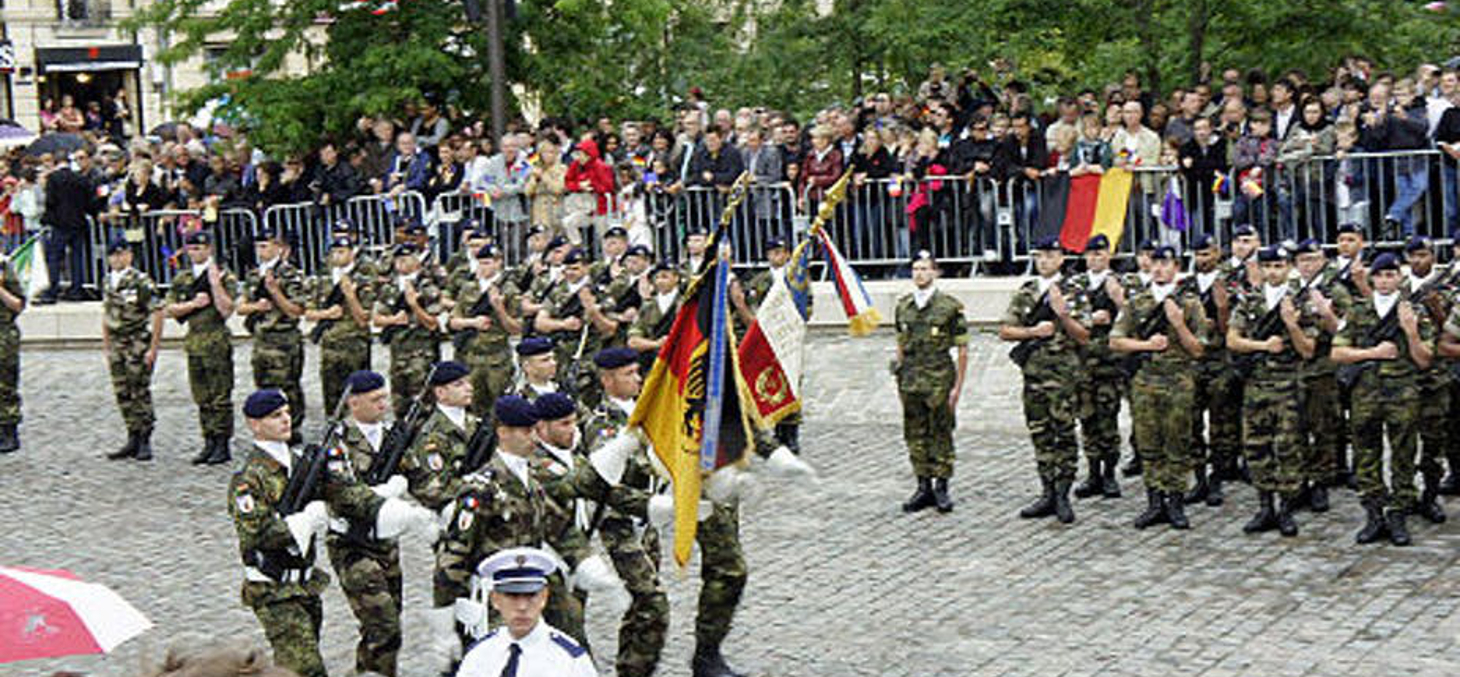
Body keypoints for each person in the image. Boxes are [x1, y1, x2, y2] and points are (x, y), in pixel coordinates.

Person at [227, 389, 433, 677]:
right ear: (254, 424)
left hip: (307, 584)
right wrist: (304, 522)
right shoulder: (248, 478)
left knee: (292, 667)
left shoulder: (301, 463)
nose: (286, 420)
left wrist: (393, 509)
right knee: (307, 669)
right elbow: (256, 533)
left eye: (287, 413)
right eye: (275, 416)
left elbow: (346, 493)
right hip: (273, 590)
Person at [1331, 253, 1433, 546]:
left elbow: (1425, 360)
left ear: (1399, 277)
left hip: (1402, 393)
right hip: (1366, 393)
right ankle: (1374, 513)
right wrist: (1372, 353)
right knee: (1366, 453)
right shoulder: (1357, 311)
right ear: (1372, 278)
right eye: (1380, 275)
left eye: (1391, 275)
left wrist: (1411, 332)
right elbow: (1337, 353)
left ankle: (1399, 513)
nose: (1386, 280)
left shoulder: (1414, 310)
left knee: (1403, 454)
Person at [579, 348, 669, 677]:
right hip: (619, 523)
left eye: (636, 372)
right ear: (607, 380)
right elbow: (604, 481)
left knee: (641, 603)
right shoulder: (601, 424)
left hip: (647, 523)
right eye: (629, 374)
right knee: (653, 601)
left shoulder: (644, 412)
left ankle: (631, 668)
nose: (638, 379)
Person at [325, 370, 419, 677]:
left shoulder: (393, 435)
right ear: (353, 403)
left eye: (385, 397)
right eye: (375, 399)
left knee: (389, 627)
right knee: (383, 625)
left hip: (386, 544)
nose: (384, 404)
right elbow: (343, 494)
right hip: (352, 545)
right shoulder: (338, 443)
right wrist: (385, 494)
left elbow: (420, 477)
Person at [1110, 245, 1207, 530]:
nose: (1159, 268)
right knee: (1149, 444)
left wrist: (1179, 325)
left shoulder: (1189, 304)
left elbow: (1199, 349)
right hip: (1145, 382)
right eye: (1155, 263)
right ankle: (1155, 502)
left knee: (1177, 443)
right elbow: (1116, 341)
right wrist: (1145, 345)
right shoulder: (1136, 302)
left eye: (1166, 263)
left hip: (1178, 382)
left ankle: (1176, 502)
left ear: (1176, 267)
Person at [1228, 245, 1316, 537]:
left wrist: (1291, 324)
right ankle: (1265, 505)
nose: (1273, 272)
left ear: (1288, 268)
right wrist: (1263, 346)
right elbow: (1232, 340)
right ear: (1261, 270)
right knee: (1256, 446)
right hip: (1256, 386)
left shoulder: (1300, 302)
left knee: (1288, 448)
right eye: (1268, 267)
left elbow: (1308, 350)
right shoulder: (1250, 302)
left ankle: (1286, 508)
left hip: (1289, 385)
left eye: (1279, 266)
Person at [999, 238, 1089, 523]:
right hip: (1033, 376)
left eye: (1050, 255)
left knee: (1063, 432)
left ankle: (1063, 493)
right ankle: (1047, 491)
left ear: (1062, 258)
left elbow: (1085, 335)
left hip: (1063, 375)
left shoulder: (1073, 290)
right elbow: (1005, 331)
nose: (1044, 261)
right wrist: (1033, 333)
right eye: (1039, 256)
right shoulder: (1027, 291)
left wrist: (1064, 314)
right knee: (1040, 432)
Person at [894, 251, 969, 513]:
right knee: (915, 434)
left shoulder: (949, 306)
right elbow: (900, 345)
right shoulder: (903, 306)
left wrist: (957, 388)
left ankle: (942, 486)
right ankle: (923, 484)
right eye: (915, 269)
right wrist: (899, 380)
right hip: (911, 379)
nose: (919, 273)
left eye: (925, 268)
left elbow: (962, 349)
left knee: (941, 432)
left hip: (939, 378)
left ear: (935, 272)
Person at [454, 548, 598, 677]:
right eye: (512, 596)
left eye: (531, 596)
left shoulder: (568, 659)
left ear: (544, 597)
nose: (522, 607)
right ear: (495, 600)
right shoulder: (480, 654)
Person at [163, 231, 238, 465]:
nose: (195, 252)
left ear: (209, 249)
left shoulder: (225, 277)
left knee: (220, 396)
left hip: (216, 340)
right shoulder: (183, 278)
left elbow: (227, 309)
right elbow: (169, 309)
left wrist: (215, 285)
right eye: (192, 248)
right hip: (194, 342)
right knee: (201, 396)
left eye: (200, 248)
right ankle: (208, 440)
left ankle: (222, 442)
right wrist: (192, 304)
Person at [1293, 238, 1350, 515]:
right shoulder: (1289, 290)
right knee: (1295, 429)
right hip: (1292, 371)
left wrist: (1326, 312)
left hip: (1323, 370)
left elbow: (1347, 330)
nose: (1308, 265)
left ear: (1323, 260)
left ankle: (1321, 483)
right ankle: (1300, 481)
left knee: (1324, 428)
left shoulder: (1335, 290)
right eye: (1303, 260)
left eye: (1313, 259)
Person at [237, 225, 309, 438]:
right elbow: (241, 308)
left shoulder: (289, 274)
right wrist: (256, 307)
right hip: (262, 341)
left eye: (265, 246)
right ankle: (269, 428)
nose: (261, 251)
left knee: (288, 388)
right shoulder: (253, 275)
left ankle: (291, 428)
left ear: (278, 248)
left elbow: (296, 310)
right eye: (258, 246)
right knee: (263, 386)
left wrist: (276, 292)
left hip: (284, 341)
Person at [1183, 234, 1239, 506]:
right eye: (1198, 254)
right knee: (1192, 421)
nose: (1202, 259)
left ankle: (1217, 478)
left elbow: (1235, 328)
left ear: (1217, 252)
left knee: (1222, 424)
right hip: (1194, 361)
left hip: (1220, 361)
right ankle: (1199, 478)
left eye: (1207, 253)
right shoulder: (1185, 284)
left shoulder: (1231, 282)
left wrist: (1222, 308)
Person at [1069, 235, 1125, 499]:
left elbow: (1135, 314)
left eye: (1100, 254)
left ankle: (1110, 474)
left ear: (1109, 256)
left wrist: (1117, 301)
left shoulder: (1121, 281)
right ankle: (1092, 472)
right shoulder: (1076, 284)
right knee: (1087, 419)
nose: (1095, 258)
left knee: (1108, 418)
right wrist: (1090, 319)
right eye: (1091, 254)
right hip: (1082, 363)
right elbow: (1066, 316)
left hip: (1109, 364)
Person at [101, 237, 162, 462]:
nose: (118, 259)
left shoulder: (141, 281)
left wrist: (153, 348)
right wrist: (106, 346)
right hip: (117, 343)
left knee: (139, 389)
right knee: (122, 390)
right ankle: (132, 435)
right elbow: (106, 314)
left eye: (122, 254)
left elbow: (157, 312)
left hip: (136, 341)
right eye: (114, 255)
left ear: (129, 255)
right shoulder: (108, 280)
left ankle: (145, 436)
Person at [372, 241, 444, 419]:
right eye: (398, 259)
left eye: (406, 258)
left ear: (416, 261)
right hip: (398, 355)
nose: (400, 263)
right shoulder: (390, 287)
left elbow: (433, 323)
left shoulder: (428, 287)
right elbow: (376, 319)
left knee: (424, 406)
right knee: (400, 405)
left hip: (422, 356)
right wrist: (393, 320)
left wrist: (414, 305)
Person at [449, 243, 523, 416]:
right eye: (480, 263)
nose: (483, 267)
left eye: (488, 262)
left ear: (499, 263)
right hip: (471, 359)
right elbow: (453, 322)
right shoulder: (468, 288)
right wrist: (472, 323)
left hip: (497, 361)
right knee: (473, 409)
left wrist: (499, 308)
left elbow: (516, 329)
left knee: (501, 409)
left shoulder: (509, 290)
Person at [306, 234, 376, 410]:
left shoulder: (362, 279)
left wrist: (351, 297)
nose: (337, 256)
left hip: (355, 345)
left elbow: (364, 319)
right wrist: (326, 314)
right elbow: (308, 313)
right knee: (332, 398)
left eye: (342, 251)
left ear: (352, 254)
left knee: (359, 397)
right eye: (334, 252)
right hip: (330, 346)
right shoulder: (323, 279)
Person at [39, 149, 96, 304]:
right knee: (77, 257)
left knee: (55, 257)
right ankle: (76, 289)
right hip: (78, 222)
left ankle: (53, 288)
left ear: (55, 162)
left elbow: (50, 202)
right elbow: (88, 201)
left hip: (59, 223)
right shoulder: (80, 179)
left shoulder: (53, 179)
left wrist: (46, 220)